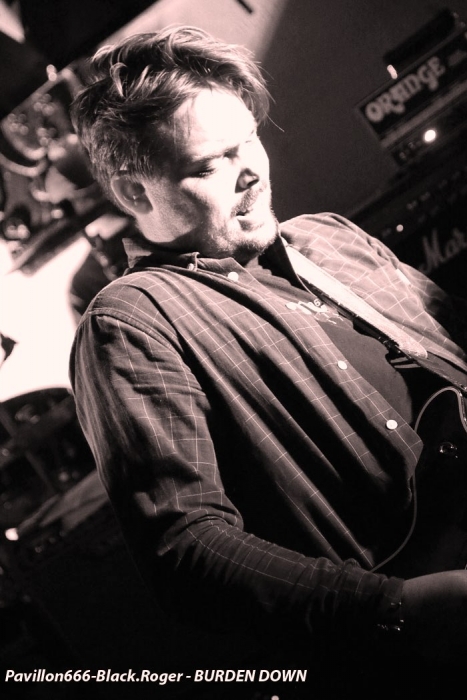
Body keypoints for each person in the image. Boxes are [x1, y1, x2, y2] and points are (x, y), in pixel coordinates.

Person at [69, 25, 467, 699]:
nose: (251, 170)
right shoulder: (135, 321)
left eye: (248, 139)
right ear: (135, 194)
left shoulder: (331, 239)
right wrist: (397, 609)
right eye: (210, 164)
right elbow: (185, 548)